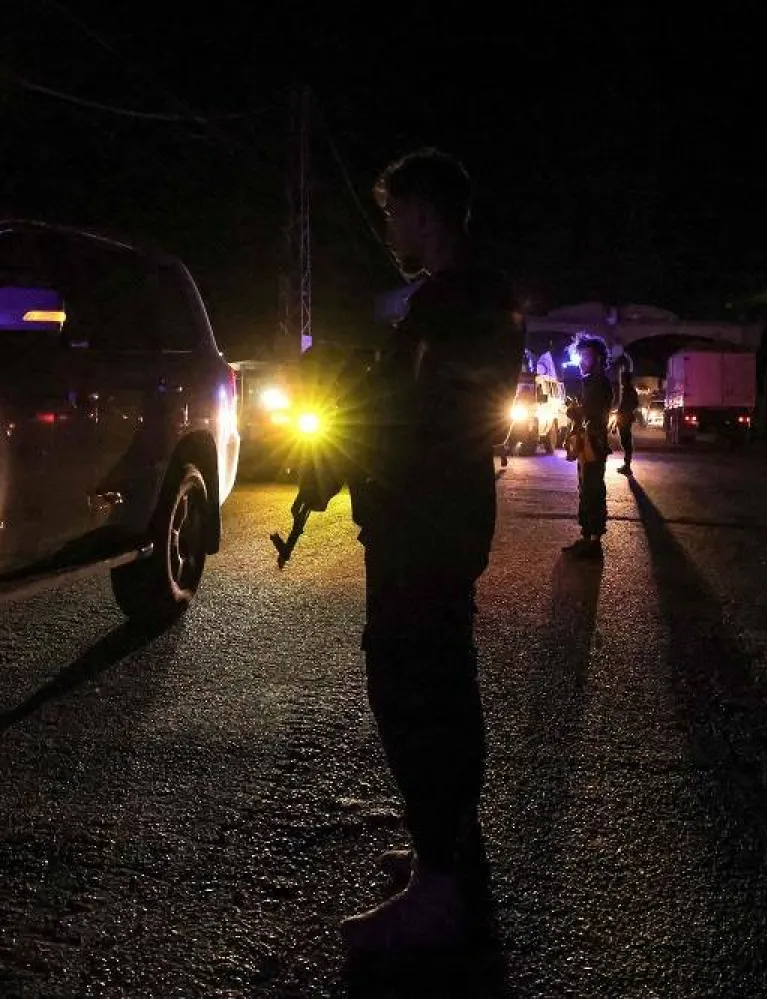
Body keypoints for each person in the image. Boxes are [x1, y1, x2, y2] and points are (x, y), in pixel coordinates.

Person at [337, 148, 524, 955]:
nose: (389, 231)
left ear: (421, 211)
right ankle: (446, 855)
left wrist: (363, 443)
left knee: (417, 684)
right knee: (433, 676)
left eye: (393, 214)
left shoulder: (458, 303)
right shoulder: (464, 296)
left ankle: (441, 881)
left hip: (426, 524)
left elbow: (426, 421)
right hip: (429, 520)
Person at [565, 336, 612, 557]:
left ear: (599, 358)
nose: (582, 360)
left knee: (593, 489)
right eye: (580, 354)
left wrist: (576, 411)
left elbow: (593, 414)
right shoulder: (588, 381)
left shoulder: (599, 382)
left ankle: (594, 543)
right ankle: (586, 538)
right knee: (585, 488)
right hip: (586, 444)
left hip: (594, 443)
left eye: (586, 355)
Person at [615, 368, 640, 474]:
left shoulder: (628, 390)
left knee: (626, 442)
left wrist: (624, 411)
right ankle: (626, 465)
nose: (621, 381)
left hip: (625, 419)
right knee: (625, 442)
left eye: (622, 378)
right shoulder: (628, 390)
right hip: (625, 418)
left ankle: (627, 466)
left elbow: (630, 404)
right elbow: (634, 403)